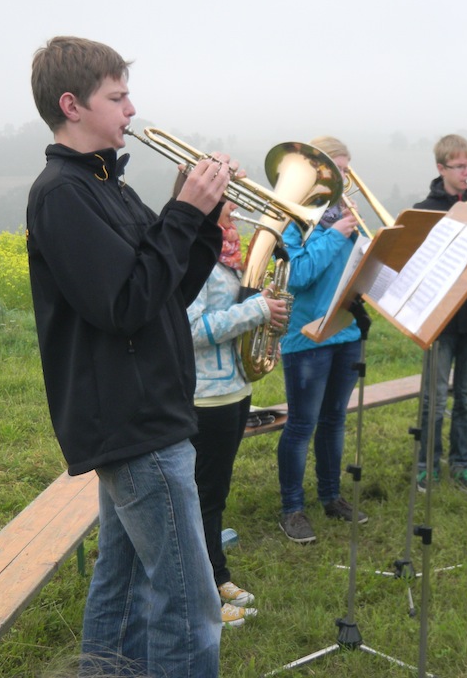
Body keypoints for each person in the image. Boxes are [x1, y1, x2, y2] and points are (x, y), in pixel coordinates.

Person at [26, 36, 233, 677]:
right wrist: (182, 209)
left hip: (146, 416)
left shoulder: (107, 186)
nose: (131, 109)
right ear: (73, 105)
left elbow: (167, 291)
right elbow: (124, 304)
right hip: (134, 424)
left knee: (123, 593)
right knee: (189, 608)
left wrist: (202, 218)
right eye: (116, 97)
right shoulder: (64, 194)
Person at [183, 192, 290, 627]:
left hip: (234, 389)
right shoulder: (193, 254)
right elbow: (188, 330)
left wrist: (265, 310)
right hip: (206, 394)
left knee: (215, 496)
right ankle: (203, 594)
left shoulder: (226, 252)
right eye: (228, 202)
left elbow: (236, 311)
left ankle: (217, 573)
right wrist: (256, 309)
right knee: (202, 498)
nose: (237, 211)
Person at [276, 135, 367, 544]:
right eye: (337, 172)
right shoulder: (292, 217)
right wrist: (337, 235)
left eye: (347, 171)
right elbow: (297, 276)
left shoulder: (344, 215)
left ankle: (331, 496)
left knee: (334, 421)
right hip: (306, 336)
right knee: (302, 425)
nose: (345, 180)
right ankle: (292, 509)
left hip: (345, 330)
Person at [412, 133, 467, 495]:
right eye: (459, 166)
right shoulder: (425, 210)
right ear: (441, 168)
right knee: (434, 397)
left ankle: (462, 464)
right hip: (440, 315)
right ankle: (426, 464)